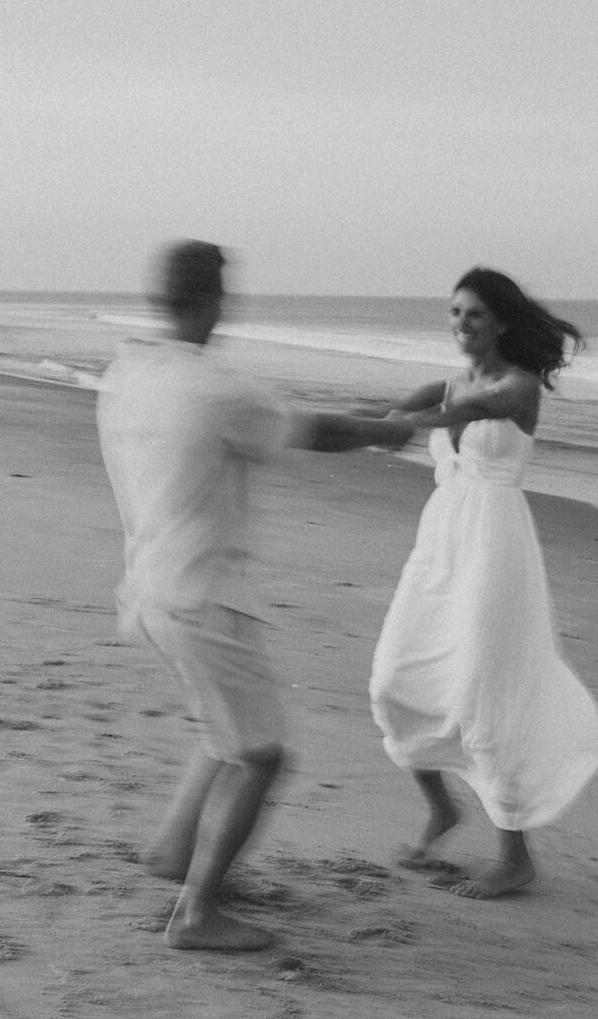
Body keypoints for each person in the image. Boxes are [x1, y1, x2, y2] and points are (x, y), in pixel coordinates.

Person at [97, 239, 413, 950]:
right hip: (203, 597)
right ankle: (197, 914)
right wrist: (385, 430)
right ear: (214, 300)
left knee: (223, 734)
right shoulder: (214, 390)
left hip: (149, 590)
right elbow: (310, 430)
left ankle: (172, 853)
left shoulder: (128, 373)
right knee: (261, 754)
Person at [369, 267, 598, 899]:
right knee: (394, 679)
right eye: (453, 313)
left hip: (496, 548)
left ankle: (515, 856)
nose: (460, 325)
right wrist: (361, 424)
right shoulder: (448, 385)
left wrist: (406, 421)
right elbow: (396, 419)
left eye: (473, 314)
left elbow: (463, 411)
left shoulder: (518, 387)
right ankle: (442, 808)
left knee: (486, 695)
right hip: (441, 545)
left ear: (500, 321)